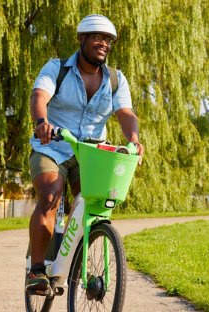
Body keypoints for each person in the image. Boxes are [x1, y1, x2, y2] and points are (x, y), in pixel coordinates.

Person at [26, 14, 145, 292]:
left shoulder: (116, 79)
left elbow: (125, 113)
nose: (104, 44)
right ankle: (37, 269)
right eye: (98, 38)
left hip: (90, 154)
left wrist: (134, 139)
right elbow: (39, 96)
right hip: (52, 146)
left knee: (91, 207)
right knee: (50, 196)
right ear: (82, 39)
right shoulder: (58, 69)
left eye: (108, 40)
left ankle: (78, 263)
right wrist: (41, 123)